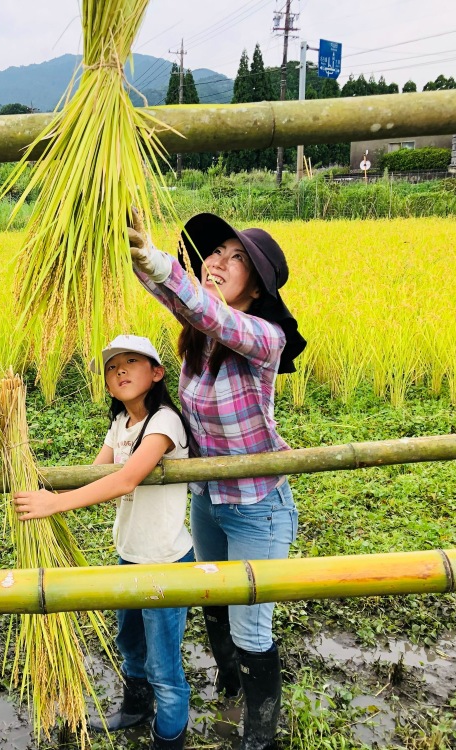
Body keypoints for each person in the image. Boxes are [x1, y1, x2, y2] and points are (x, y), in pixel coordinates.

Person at [126, 212, 307, 750]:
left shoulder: (263, 337)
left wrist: (161, 261)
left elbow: (211, 314)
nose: (217, 262)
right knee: (213, 602)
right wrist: (138, 254)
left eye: (236, 259)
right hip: (210, 499)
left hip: (258, 506)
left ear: (257, 286)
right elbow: (181, 301)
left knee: (252, 629)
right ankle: (230, 687)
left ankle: (260, 736)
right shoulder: (200, 339)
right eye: (214, 253)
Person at [13, 334, 197, 750]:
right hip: (129, 555)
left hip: (164, 561)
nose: (121, 371)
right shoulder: (121, 424)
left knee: (164, 666)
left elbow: (125, 478)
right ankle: (135, 708)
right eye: (113, 367)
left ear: (156, 372)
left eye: (132, 362)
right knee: (130, 643)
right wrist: (31, 472)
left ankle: (168, 740)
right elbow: (95, 472)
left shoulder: (164, 421)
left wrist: (53, 504)